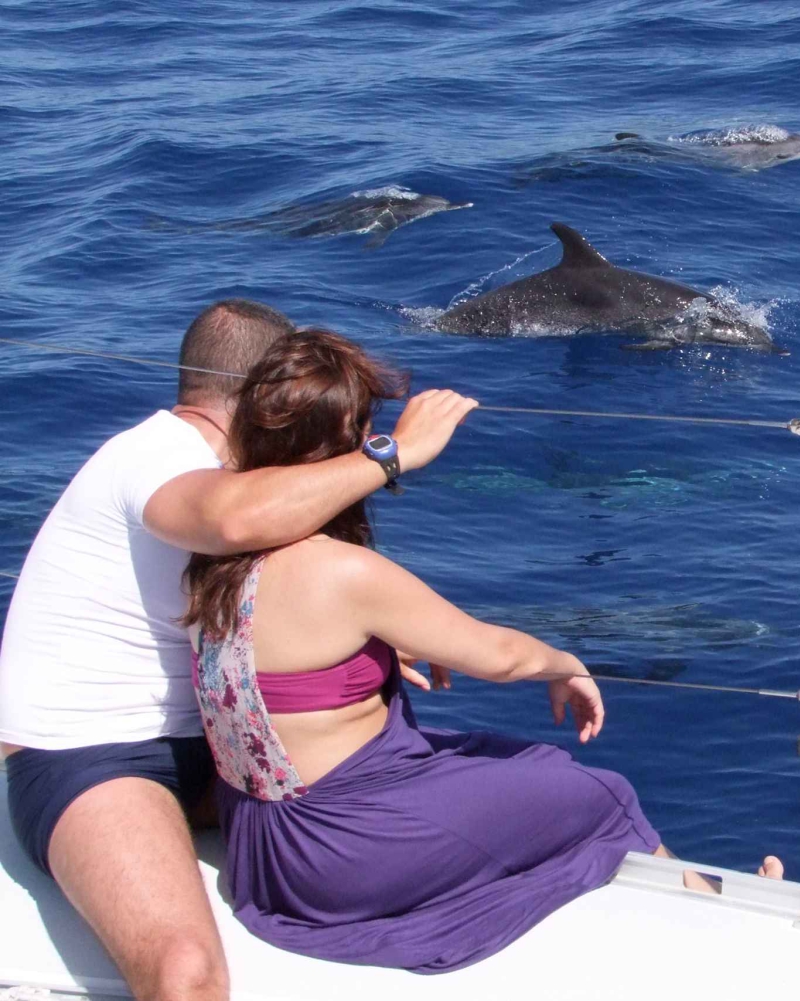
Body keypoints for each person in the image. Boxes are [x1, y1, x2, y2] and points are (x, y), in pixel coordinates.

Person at [182, 328, 783, 973]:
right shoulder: (340, 572)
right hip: (336, 857)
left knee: (497, 755)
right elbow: (501, 656)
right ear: (341, 447)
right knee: (599, 793)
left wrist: (378, 652)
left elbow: (290, 659)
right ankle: (724, 921)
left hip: (262, 847)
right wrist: (569, 666)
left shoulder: (208, 562)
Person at [0, 300, 480, 1001]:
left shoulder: (231, 471)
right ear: (264, 392)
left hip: (212, 739)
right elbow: (233, 520)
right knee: (185, 973)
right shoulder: (161, 454)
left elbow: (255, 598)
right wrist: (390, 453)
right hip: (90, 755)